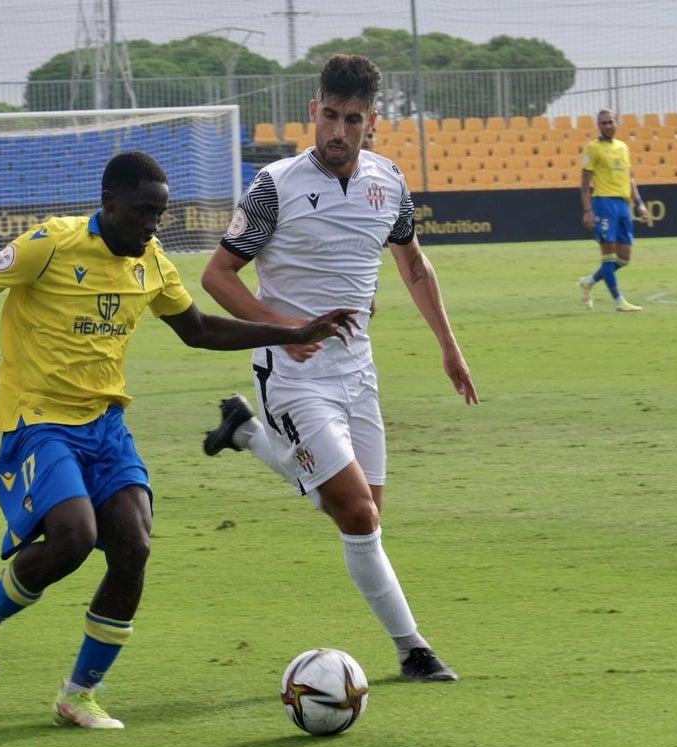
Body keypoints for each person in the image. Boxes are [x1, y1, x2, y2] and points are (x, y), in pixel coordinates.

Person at [0, 151, 358, 730]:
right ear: (109, 203)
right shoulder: (51, 245)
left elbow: (198, 329)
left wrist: (293, 330)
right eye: (144, 212)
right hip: (38, 420)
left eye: (160, 214)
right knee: (73, 536)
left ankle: (78, 695)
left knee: (134, 547)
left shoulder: (153, 264)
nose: (153, 224)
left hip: (105, 427)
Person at [199, 54, 478, 683]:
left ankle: (244, 434)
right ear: (313, 111)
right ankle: (414, 651)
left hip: (358, 371)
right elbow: (217, 276)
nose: (338, 131)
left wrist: (448, 345)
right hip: (291, 373)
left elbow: (412, 264)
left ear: (371, 122)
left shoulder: (390, 183)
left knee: (358, 512)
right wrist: (284, 329)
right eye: (329, 115)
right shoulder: (276, 185)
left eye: (352, 119)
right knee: (357, 513)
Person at [577, 108, 647, 312]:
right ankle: (619, 300)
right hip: (604, 203)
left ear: (617, 123)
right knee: (608, 256)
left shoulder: (623, 147)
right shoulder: (592, 148)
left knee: (624, 258)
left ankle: (589, 282)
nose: (607, 126)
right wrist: (588, 211)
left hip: (623, 204)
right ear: (598, 126)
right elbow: (584, 184)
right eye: (603, 123)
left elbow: (630, 177)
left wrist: (639, 202)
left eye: (610, 122)